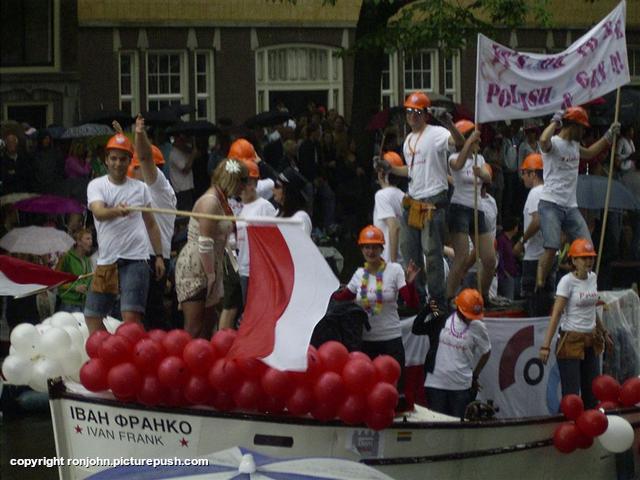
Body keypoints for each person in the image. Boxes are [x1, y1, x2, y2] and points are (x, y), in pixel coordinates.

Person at [384, 91, 465, 312]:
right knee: (410, 252)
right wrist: (390, 168)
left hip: (433, 199)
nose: (412, 116)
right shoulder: (409, 139)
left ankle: (436, 302)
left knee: (432, 253)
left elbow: (458, 143)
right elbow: (409, 170)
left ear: (426, 115)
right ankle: (417, 300)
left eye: (417, 112)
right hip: (414, 200)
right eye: (409, 112)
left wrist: (449, 123)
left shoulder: (437, 133)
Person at [84, 133, 166, 334]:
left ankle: (137, 357)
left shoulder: (140, 188)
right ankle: (108, 353)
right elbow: (99, 212)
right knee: (92, 315)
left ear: (130, 161)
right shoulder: (96, 185)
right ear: (106, 160)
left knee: (130, 317)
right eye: (113, 158)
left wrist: (159, 256)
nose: (118, 163)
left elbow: (152, 225)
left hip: (136, 259)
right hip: (107, 260)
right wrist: (117, 211)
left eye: (122, 159)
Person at [332, 225, 419, 411]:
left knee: (396, 387)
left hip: (390, 338)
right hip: (366, 340)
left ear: (382, 248)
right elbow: (341, 298)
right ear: (362, 249)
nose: (370, 251)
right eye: (366, 247)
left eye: (375, 247)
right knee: (366, 387)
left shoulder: (394, 270)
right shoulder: (358, 275)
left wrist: (411, 283)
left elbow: (411, 303)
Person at [536, 107, 620, 292]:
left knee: (587, 247)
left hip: (570, 206)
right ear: (572, 126)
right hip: (550, 204)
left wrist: (608, 136)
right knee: (551, 247)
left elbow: (589, 153)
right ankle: (539, 286)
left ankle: (580, 284)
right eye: (582, 127)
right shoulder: (554, 144)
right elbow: (543, 141)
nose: (584, 131)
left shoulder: (574, 145)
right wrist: (554, 122)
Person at [174, 158, 248, 338]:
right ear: (233, 180)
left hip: (211, 264)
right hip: (197, 266)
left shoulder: (221, 200)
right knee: (194, 328)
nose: (244, 187)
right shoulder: (211, 202)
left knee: (207, 325)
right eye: (243, 181)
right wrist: (210, 275)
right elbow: (205, 243)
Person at [539, 238, 613, 408]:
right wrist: (546, 346)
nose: (589, 261)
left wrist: (603, 332)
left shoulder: (593, 278)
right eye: (584, 257)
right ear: (573, 260)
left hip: (591, 340)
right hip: (570, 341)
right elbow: (556, 314)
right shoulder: (567, 281)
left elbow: (592, 309)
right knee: (571, 396)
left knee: (592, 393)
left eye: (591, 257)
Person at [125, 115, 177, 330]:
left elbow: (146, 158)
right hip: (139, 258)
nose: (130, 172)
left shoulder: (158, 187)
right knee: (142, 317)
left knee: (149, 319)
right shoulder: (139, 191)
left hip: (151, 259)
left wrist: (139, 134)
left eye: (133, 167)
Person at [415, 288, 491, 419]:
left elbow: (487, 351)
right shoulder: (442, 318)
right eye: (468, 315)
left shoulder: (478, 326)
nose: (470, 319)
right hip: (436, 384)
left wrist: (475, 375)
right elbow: (417, 328)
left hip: (461, 387)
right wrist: (428, 308)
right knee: (438, 426)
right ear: (459, 309)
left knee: (459, 427)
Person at [444, 123, 495, 304]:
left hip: (478, 209)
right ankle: (448, 297)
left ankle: (484, 295)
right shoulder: (453, 157)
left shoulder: (479, 159)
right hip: (459, 209)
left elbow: (489, 177)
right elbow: (457, 166)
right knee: (462, 256)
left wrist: (482, 173)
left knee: (489, 258)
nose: (479, 143)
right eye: (476, 140)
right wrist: (468, 143)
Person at [513, 153, 554, 316]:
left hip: (535, 259)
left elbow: (536, 221)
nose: (523, 178)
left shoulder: (535, 193)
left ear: (533, 174)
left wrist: (521, 242)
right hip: (549, 257)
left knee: (533, 305)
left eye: (524, 173)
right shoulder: (550, 192)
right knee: (546, 304)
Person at [237, 160, 277, 304]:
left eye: (243, 183)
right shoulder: (242, 208)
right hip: (243, 270)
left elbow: (274, 241)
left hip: (257, 272)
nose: (239, 188)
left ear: (252, 184)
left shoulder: (265, 208)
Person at [373, 151, 405, 264]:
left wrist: (392, 263)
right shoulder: (403, 196)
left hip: (388, 262)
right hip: (404, 260)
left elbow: (394, 226)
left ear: (382, 173)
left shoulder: (381, 196)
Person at [55, 228, 93, 313]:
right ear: (78, 242)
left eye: (91, 239)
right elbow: (56, 280)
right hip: (68, 304)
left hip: (84, 304)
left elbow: (88, 280)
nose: (91, 241)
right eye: (87, 239)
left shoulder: (87, 260)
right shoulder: (67, 257)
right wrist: (74, 287)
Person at [272, 166, 312, 235]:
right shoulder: (278, 212)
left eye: (277, 186)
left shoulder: (301, 217)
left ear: (288, 191)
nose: (273, 189)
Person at [169, 134, 198, 211]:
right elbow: (185, 169)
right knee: (185, 211)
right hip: (181, 189)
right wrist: (192, 155)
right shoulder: (174, 153)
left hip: (188, 187)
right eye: (181, 140)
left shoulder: (183, 151)